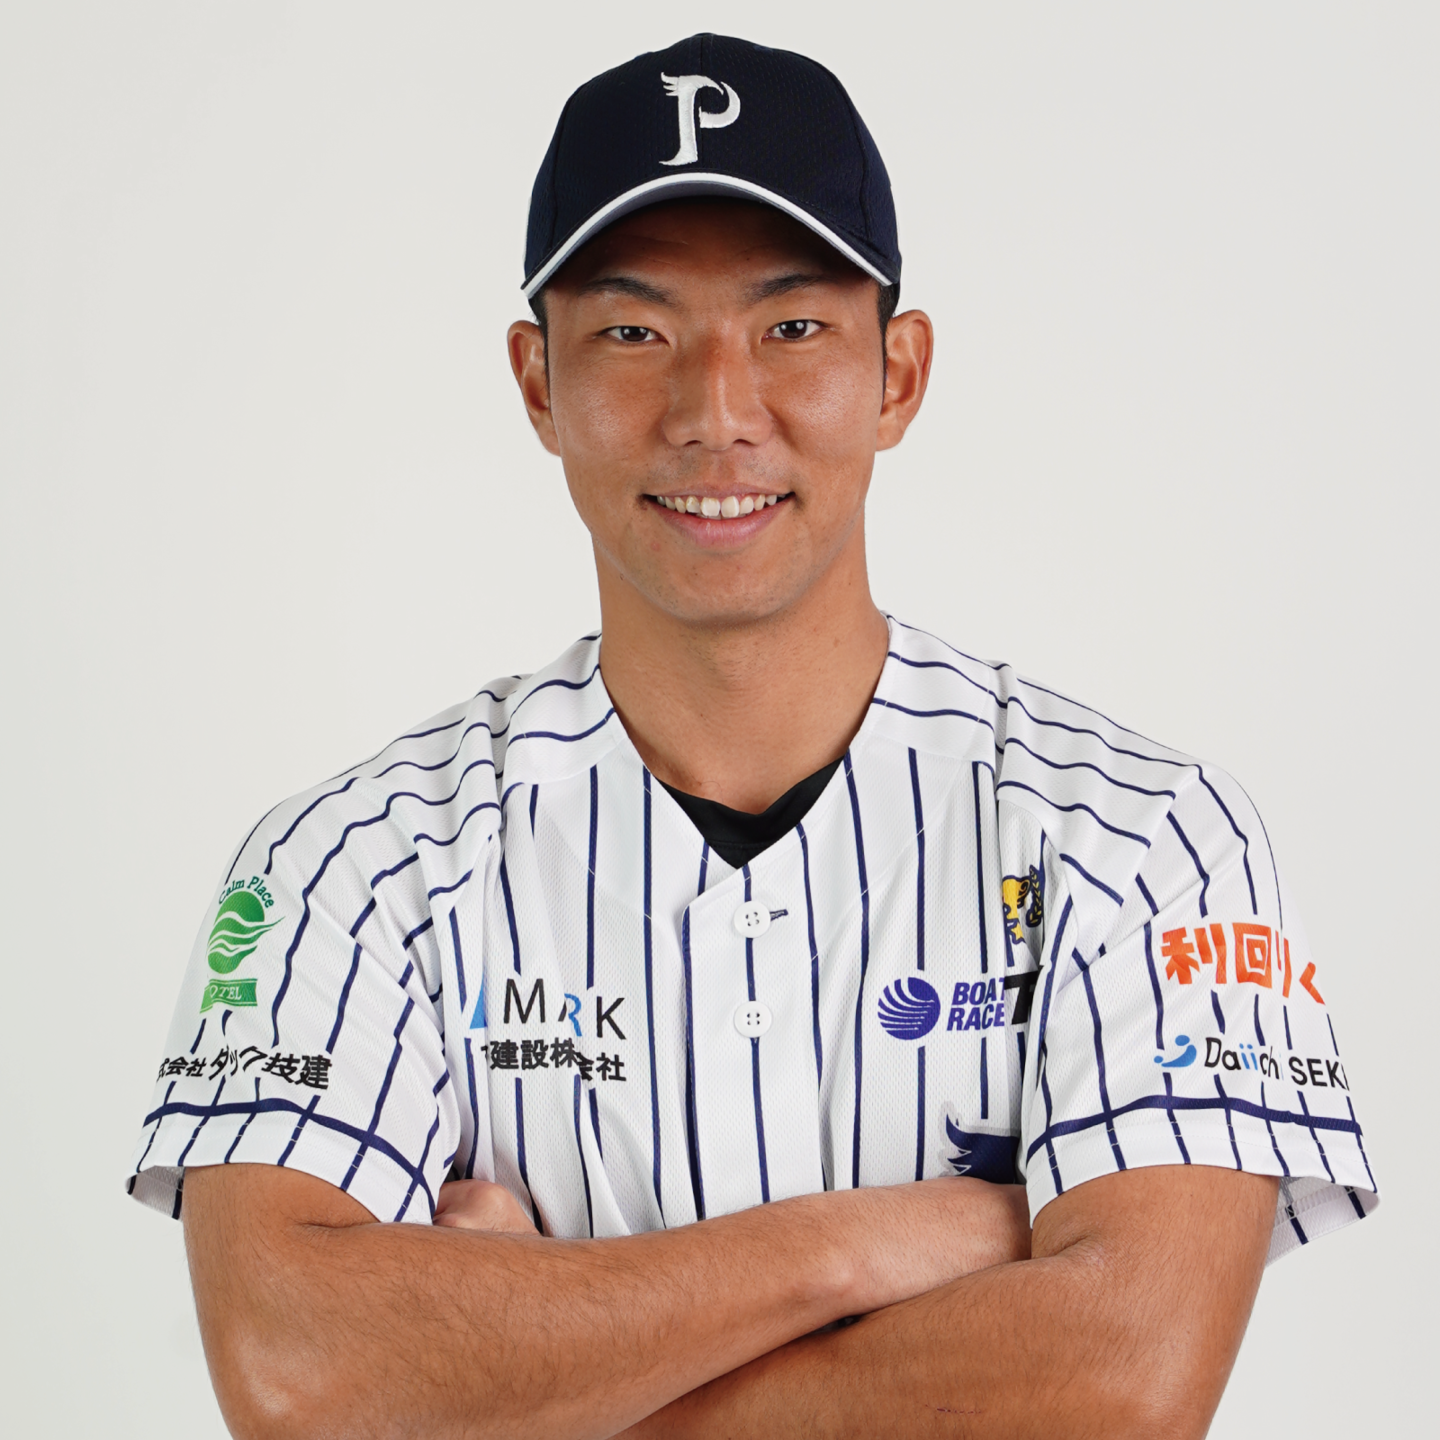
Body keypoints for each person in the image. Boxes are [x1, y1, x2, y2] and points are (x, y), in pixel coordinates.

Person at [127, 32, 1376, 1440]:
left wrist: (534, 1371)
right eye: (635, 333)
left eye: (791, 329)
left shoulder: (1144, 839)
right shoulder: (352, 866)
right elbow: (300, 1377)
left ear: (897, 375)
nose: (716, 414)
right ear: (537, 382)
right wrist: (863, 1246)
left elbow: (1123, 1387)